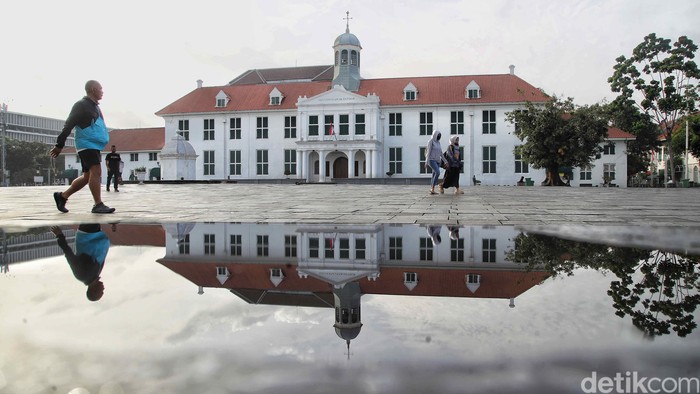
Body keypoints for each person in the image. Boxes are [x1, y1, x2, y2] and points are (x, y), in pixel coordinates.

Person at [49, 80, 115, 214]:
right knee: (96, 171)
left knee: (87, 176)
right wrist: (59, 144)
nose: (102, 91)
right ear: (92, 89)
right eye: (100, 88)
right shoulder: (81, 105)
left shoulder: (95, 106)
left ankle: (62, 196)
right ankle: (98, 204)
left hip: (93, 145)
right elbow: (69, 124)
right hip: (86, 144)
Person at [51, 224, 110, 301]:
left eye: (101, 291)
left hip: (87, 234)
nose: (103, 288)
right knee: (99, 214)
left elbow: (69, 254)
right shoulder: (95, 274)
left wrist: (59, 235)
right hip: (95, 233)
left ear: (94, 291)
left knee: (95, 214)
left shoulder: (81, 275)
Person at [424, 130, 448, 195]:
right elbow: (428, 152)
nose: (439, 137)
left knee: (434, 174)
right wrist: (426, 162)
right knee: (437, 172)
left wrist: (445, 161)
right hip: (431, 160)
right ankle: (432, 188)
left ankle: (432, 189)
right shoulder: (430, 141)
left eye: (440, 136)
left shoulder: (438, 143)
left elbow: (441, 153)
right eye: (438, 135)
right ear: (435, 135)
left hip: (437, 161)